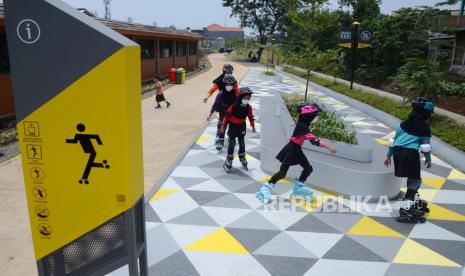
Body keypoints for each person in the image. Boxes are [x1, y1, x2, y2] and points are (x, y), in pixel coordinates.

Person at [256, 103, 337, 204]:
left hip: (297, 149)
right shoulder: (302, 127)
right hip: (292, 150)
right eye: (313, 115)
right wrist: (328, 146)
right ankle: (265, 189)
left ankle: (297, 189)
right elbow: (313, 141)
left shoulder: (303, 124)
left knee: (308, 169)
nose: (314, 118)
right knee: (282, 173)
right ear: (308, 116)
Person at [384, 97, 434, 223]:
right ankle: (406, 209)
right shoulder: (424, 128)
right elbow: (425, 147)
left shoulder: (402, 125)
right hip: (410, 154)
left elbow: (393, 142)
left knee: (413, 179)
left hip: (397, 153)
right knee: (415, 181)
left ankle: (412, 202)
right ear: (425, 114)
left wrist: (388, 156)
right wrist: (428, 159)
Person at [220, 87, 256, 172]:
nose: (247, 100)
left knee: (242, 142)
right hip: (233, 126)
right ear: (240, 97)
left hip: (242, 126)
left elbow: (250, 117)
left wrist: (253, 126)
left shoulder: (248, 107)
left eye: (248, 98)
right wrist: (222, 126)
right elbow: (226, 116)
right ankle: (229, 158)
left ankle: (242, 155)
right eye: (245, 98)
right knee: (232, 142)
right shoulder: (234, 106)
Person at [209, 74, 239, 151]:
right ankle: (220, 139)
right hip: (223, 112)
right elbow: (215, 105)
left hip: (232, 113)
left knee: (233, 127)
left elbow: (238, 104)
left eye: (231, 84)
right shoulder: (220, 94)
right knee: (222, 125)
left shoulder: (236, 93)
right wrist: (210, 114)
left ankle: (231, 136)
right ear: (225, 84)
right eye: (227, 84)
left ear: (233, 85)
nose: (229, 85)